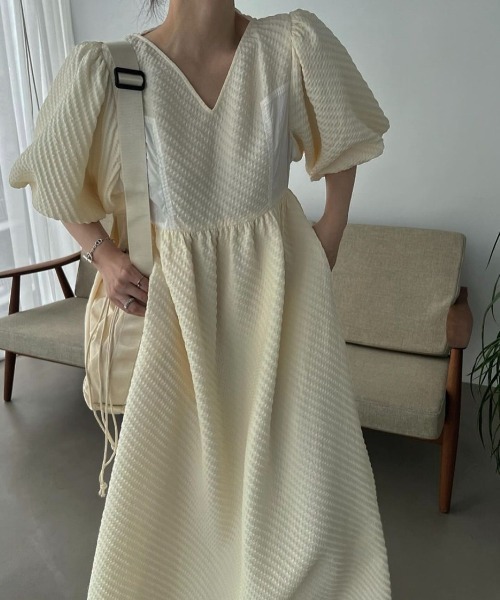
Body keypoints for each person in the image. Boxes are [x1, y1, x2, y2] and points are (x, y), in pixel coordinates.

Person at [9, 1, 391, 598]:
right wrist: (104, 256)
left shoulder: (290, 44)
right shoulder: (112, 69)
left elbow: (345, 135)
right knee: (180, 481)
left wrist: (331, 232)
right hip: (179, 310)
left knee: (303, 470)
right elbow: (54, 181)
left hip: (282, 299)